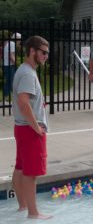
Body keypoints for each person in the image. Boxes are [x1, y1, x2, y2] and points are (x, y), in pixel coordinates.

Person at [12, 35, 52, 219]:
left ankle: (22, 206)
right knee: (31, 173)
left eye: (47, 53)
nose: (46, 56)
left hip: (22, 128)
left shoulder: (24, 70)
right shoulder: (28, 73)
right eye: (43, 52)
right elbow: (23, 102)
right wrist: (36, 128)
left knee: (20, 167)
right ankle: (33, 213)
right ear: (32, 51)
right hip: (29, 130)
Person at [3, 32, 21, 99]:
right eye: (19, 39)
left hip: (6, 65)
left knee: (8, 82)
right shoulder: (12, 44)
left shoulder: (8, 43)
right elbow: (11, 56)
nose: (20, 41)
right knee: (12, 82)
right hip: (10, 65)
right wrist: (17, 65)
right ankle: (12, 98)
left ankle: (6, 98)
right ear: (16, 39)